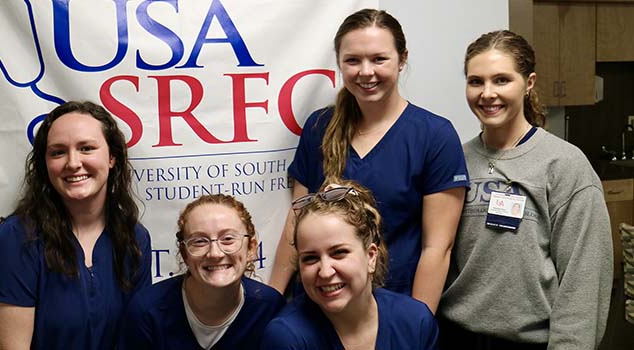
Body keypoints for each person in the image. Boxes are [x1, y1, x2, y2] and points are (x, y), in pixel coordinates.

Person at [268, 8, 468, 313]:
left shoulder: (434, 135)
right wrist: (271, 301)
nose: (366, 71)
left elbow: (436, 249)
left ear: (402, 59)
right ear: (339, 63)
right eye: (353, 60)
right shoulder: (318, 127)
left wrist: (416, 324)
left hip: (393, 305)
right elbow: (296, 225)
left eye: (378, 59)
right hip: (320, 305)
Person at [438, 30, 612, 349]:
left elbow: (584, 279)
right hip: (454, 337)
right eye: (476, 81)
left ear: (528, 83)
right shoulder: (454, 160)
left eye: (502, 80)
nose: (487, 93)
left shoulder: (564, 165)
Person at [0, 101, 152, 349]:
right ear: (45, 166)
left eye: (87, 148)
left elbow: (136, 338)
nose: (72, 163)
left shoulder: (134, 237)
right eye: (58, 152)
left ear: (112, 157)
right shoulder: (16, 239)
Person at [262, 181, 439, 350]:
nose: (325, 272)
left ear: (370, 257)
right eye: (310, 258)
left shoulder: (415, 322)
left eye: (338, 253)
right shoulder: (287, 337)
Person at [119, 194, 284, 349]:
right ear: (185, 254)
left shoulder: (269, 309)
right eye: (199, 241)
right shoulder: (147, 313)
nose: (215, 253)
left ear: (251, 248)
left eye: (228, 239)